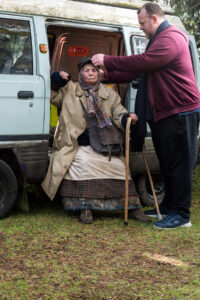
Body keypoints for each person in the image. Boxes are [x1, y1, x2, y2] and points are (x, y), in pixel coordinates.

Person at [91, 2, 200, 229]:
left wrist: (108, 59)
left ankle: (182, 215)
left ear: (154, 18)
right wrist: (107, 75)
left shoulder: (171, 37)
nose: (140, 27)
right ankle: (169, 206)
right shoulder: (158, 40)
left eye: (142, 23)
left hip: (180, 110)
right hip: (165, 112)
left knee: (179, 164)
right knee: (168, 163)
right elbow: (140, 69)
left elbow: (145, 61)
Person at [41, 57, 150, 224]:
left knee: (120, 167)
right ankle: (85, 208)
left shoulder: (110, 94)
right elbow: (53, 97)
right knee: (82, 163)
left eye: (93, 70)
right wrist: (57, 79)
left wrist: (127, 118)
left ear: (99, 73)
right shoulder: (71, 89)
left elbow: (118, 113)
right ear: (81, 74)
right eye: (86, 70)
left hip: (104, 144)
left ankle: (132, 206)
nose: (90, 73)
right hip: (76, 144)